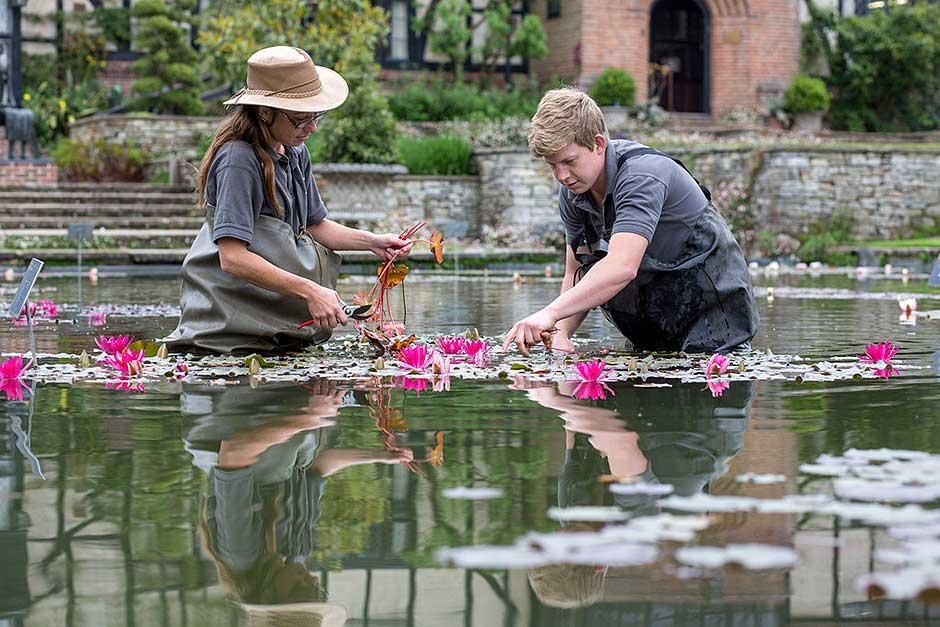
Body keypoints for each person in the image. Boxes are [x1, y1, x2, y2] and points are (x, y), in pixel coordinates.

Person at [164, 46, 413, 354]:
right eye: (300, 119)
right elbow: (232, 257)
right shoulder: (238, 159)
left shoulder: (295, 153)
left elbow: (315, 224)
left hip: (276, 328)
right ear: (265, 111)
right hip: (229, 338)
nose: (313, 128)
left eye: (315, 116)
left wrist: (374, 243)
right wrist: (310, 290)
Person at [502, 88, 758, 356]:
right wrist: (560, 333)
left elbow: (622, 266)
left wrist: (550, 313)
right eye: (552, 165)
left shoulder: (642, 176)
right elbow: (575, 271)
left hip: (713, 315)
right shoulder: (573, 193)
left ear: (598, 144)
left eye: (569, 161)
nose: (562, 175)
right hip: (653, 322)